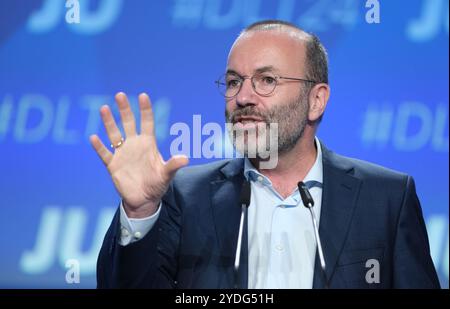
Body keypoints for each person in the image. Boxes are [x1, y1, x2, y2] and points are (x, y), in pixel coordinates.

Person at [91, 20, 440, 289]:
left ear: (316, 100)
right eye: (233, 82)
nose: (242, 97)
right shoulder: (183, 195)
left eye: (267, 80)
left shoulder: (386, 199)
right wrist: (139, 211)